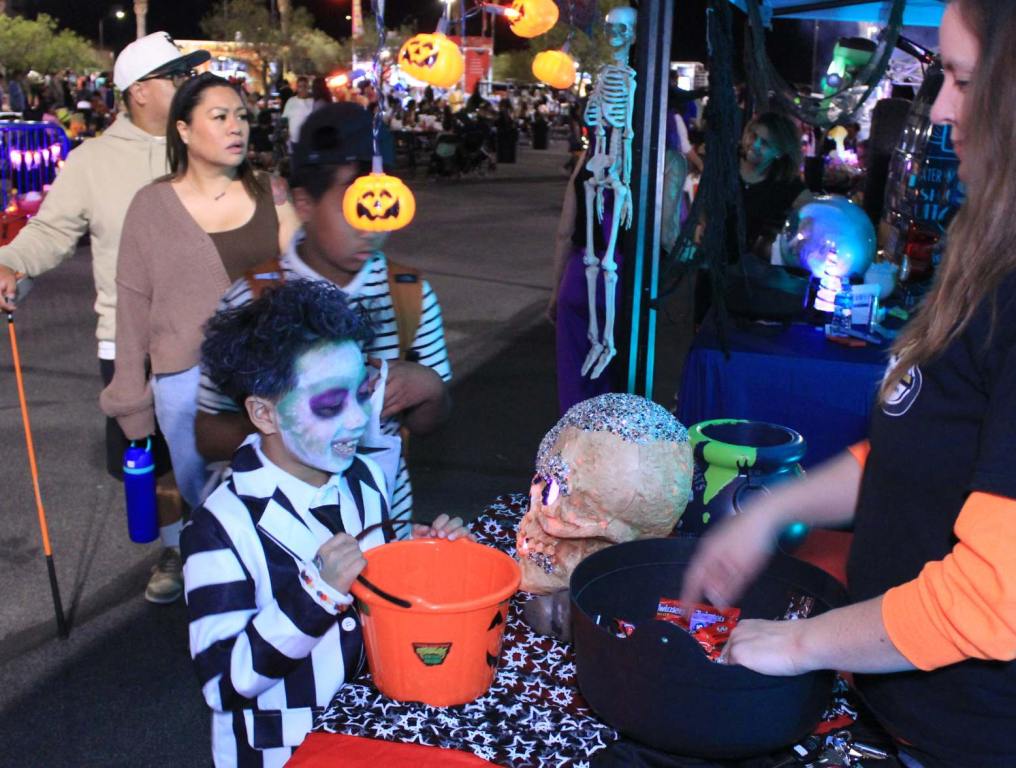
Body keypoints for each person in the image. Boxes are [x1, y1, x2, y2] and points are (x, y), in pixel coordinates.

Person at [681, 2, 1016, 765]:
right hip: (903, 712)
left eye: (964, 80)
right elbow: (922, 457)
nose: (938, 110)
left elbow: (996, 600)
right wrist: (773, 511)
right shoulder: (990, 257)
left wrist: (800, 645)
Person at [182, 279, 468, 767]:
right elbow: (225, 682)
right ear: (263, 414)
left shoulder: (365, 480)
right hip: (283, 750)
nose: (358, 420)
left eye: (361, 395)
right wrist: (315, 593)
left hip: (368, 731)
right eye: (331, 405)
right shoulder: (218, 529)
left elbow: (379, 591)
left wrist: (419, 558)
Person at [0, 33, 211, 604]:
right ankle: (174, 548)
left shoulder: (208, 143)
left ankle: (228, 546)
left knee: (227, 445)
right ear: (140, 92)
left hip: (214, 336)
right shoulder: (91, 160)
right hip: (130, 343)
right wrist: (10, 263)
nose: (192, 85)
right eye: (178, 76)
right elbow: (49, 231)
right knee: (156, 460)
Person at [194, 102, 452, 530]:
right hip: (277, 534)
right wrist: (299, 421)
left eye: (382, 205)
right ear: (304, 203)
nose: (371, 226)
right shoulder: (252, 298)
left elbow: (432, 418)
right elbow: (207, 433)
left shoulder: (409, 294)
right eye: (353, 205)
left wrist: (429, 389)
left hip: (384, 525)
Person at [100, 73, 300, 530]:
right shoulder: (151, 205)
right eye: (220, 116)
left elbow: (304, 283)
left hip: (267, 379)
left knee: (275, 502)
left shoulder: (270, 192)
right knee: (208, 506)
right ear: (184, 130)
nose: (237, 127)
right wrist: (131, 399)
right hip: (184, 385)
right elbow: (131, 307)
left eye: (242, 117)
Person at [282, 75, 314, 146]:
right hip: (294, 140)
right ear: (297, 88)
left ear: (308, 87)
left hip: (309, 140)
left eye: (304, 86)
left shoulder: (313, 102)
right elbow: (284, 118)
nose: (302, 89)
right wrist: (285, 131)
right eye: (300, 86)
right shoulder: (291, 101)